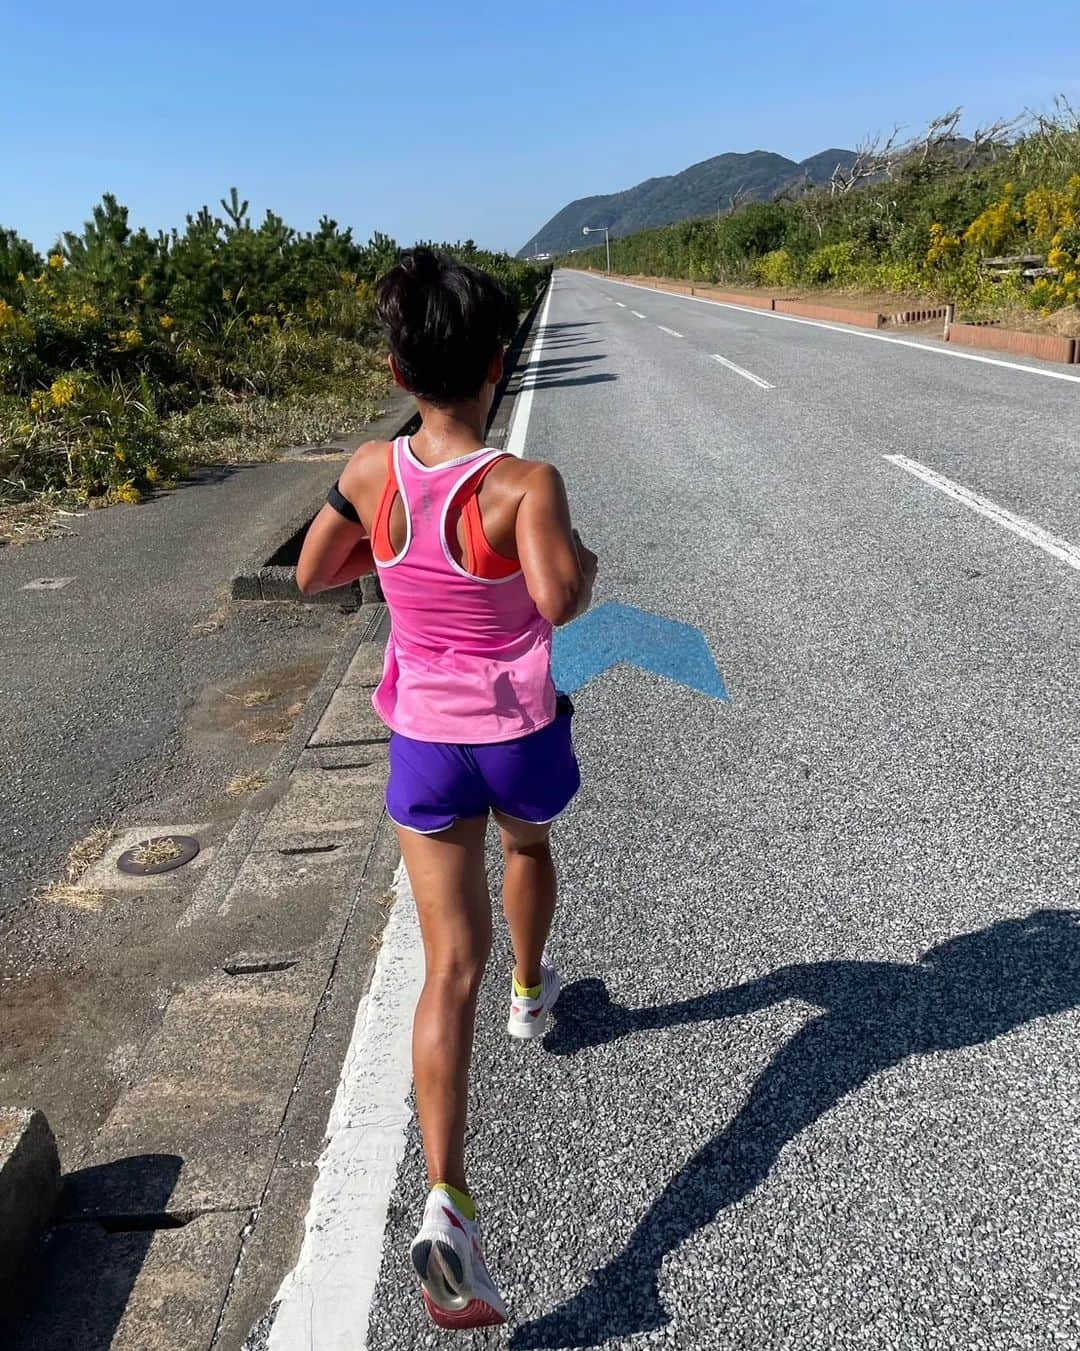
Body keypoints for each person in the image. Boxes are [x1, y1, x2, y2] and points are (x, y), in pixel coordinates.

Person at [296, 248, 597, 1329]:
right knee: (527, 848)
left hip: (421, 741)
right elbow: (560, 602)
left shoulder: (375, 471)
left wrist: (387, 554)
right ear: (498, 364)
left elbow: (313, 572)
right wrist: (583, 559)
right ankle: (534, 992)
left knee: (441, 970)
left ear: (395, 364)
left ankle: (447, 1199)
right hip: (513, 735)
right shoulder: (524, 485)